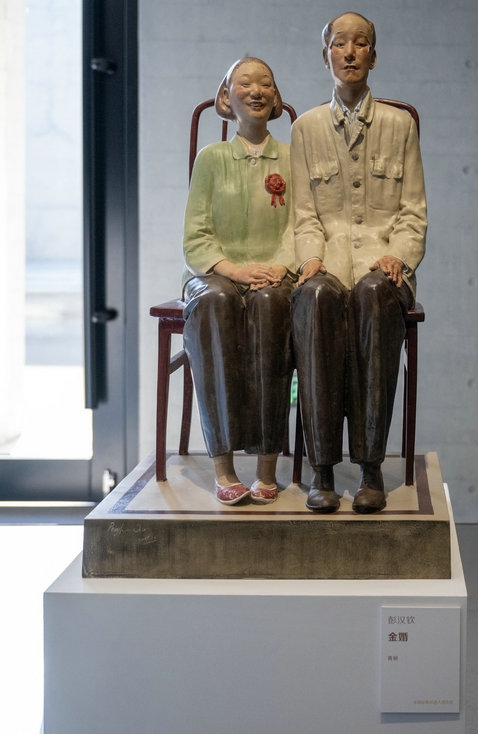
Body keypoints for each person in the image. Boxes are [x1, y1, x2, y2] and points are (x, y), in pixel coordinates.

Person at [290, 12, 427, 513]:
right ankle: (322, 469)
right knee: (316, 297)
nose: (349, 53)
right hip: (326, 266)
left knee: (372, 293)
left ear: (374, 55)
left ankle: (370, 468)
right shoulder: (305, 128)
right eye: (339, 44)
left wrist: (398, 256)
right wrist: (311, 259)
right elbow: (304, 216)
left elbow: (413, 213)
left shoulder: (399, 124)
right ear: (325, 54)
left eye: (361, 43)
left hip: (384, 269)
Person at [182, 57, 295, 505]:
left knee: (271, 305)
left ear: (275, 97)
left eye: (266, 83)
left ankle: (267, 467)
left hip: (274, 275)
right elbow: (196, 236)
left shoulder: (293, 158)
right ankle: (223, 466)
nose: (256, 90)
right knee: (216, 303)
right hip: (215, 274)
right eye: (244, 83)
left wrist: (281, 266)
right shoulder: (211, 158)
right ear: (226, 98)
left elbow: (301, 226)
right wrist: (232, 269)